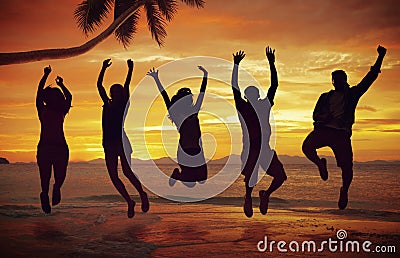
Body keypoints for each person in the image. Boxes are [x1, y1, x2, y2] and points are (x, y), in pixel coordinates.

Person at [302, 45, 387, 210]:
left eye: (341, 79)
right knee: (306, 147)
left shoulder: (352, 94)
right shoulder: (325, 97)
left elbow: (370, 77)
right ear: (332, 81)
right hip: (324, 130)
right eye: (335, 79)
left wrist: (380, 57)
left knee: (347, 168)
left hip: (341, 134)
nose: (338, 82)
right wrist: (323, 117)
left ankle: (344, 190)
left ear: (345, 80)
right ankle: (320, 164)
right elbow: (315, 115)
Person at [231, 47, 287, 218]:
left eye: (255, 92)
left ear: (257, 95)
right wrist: (235, 66)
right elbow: (234, 88)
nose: (253, 95)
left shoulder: (264, 105)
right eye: (250, 93)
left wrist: (272, 63)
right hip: (251, 149)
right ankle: (248, 197)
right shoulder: (243, 107)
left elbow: (274, 85)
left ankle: (266, 194)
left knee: (280, 177)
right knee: (251, 178)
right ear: (247, 97)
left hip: (265, 149)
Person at [97, 58, 149, 218]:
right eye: (113, 91)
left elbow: (127, 87)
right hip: (108, 144)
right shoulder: (106, 103)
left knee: (127, 171)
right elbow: (99, 86)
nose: (115, 93)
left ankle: (142, 194)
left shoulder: (124, 105)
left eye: (118, 91)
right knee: (113, 175)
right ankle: (129, 201)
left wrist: (130, 70)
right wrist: (103, 68)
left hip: (121, 142)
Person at [147, 66, 208, 187]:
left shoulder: (194, 111)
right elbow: (164, 95)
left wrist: (205, 75)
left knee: (202, 180)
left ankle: (179, 175)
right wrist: (156, 79)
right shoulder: (175, 114)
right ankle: (177, 174)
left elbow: (202, 93)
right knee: (191, 184)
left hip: (198, 150)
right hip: (184, 151)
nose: (190, 100)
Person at [36, 65, 72, 214]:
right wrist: (45, 75)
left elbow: (69, 97)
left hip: (60, 147)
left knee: (61, 174)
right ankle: (44, 194)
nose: (52, 98)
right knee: (45, 176)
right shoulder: (42, 110)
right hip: (45, 147)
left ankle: (56, 188)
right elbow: (38, 94)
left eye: (55, 96)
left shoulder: (61, 111)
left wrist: (62, 85)